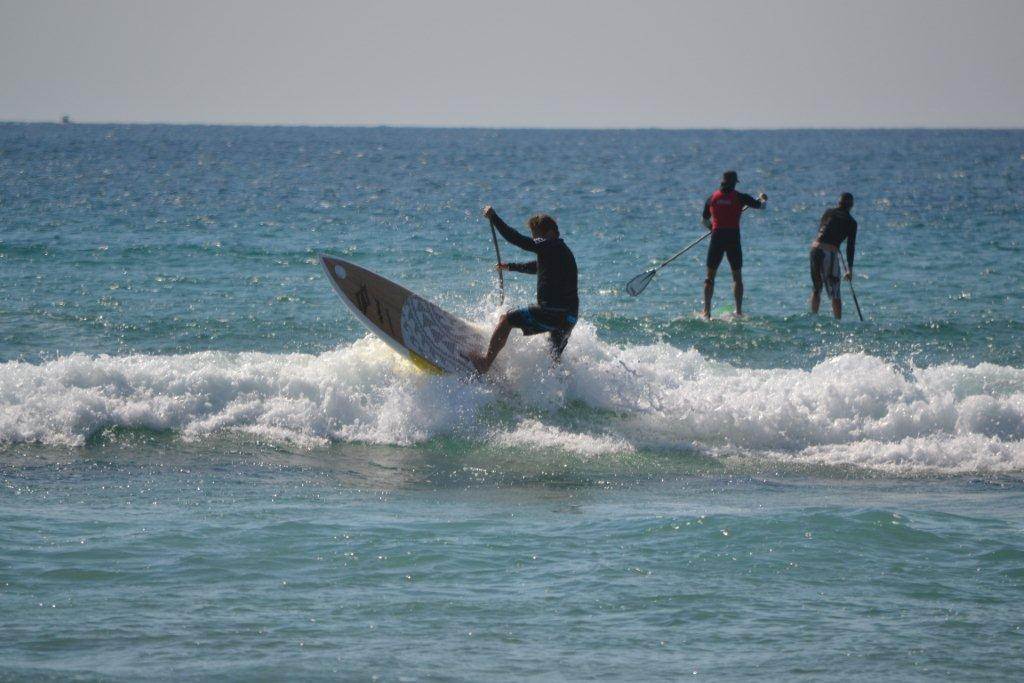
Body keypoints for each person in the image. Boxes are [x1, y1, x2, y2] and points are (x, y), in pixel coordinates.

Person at [466, 206, 579, 374]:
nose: (536, 240)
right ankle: (560, 392)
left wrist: (494, 218)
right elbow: (538, 267)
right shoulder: (562, 251)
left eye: (536, 235)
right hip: (569, 317)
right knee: (554, 360)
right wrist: (511, 267)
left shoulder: (548, 244)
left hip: (552, 313)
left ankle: (485, 363)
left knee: (507, 320)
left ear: (550, 232)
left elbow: (517, 239)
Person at [700, 170, 766, 318]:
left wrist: (712, 228)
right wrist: (762, 198)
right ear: (734, 183)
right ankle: (739, 311)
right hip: (733, 238)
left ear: (722, 182)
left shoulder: (712, 198)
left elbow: (704, 220)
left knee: (710, 276)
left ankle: (706, 312)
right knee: (737, 276)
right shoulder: (740, 197)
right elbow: (761, 206)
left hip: (717, 237)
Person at [810, 193, 858, 319]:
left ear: (838, 203)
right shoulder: (851, 222)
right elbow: (850, 247)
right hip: (828, 253)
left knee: (816, 289)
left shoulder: (828, 212)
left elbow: (824, 231)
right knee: (835, 292)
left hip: (814, 249)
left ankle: (813, 317)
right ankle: (838, 322)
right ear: (851, 206)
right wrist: (849, 270)